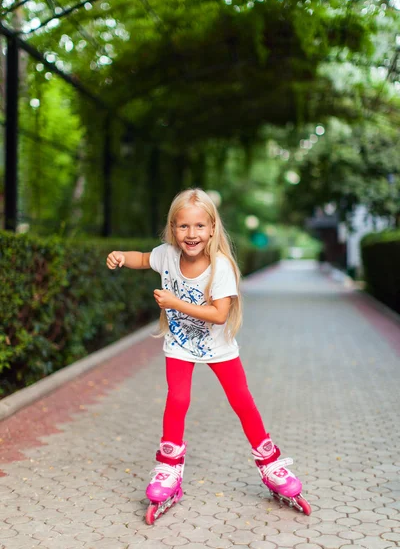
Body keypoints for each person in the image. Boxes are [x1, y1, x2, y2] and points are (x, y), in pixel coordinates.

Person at [106, 188, 310, 521]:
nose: (191, 234)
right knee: (178, 399)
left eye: (199, 226)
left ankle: (271, 463)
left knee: (242, 401)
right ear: (173, 229)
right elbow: (143, 258)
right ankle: (169, 467)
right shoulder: (167, 255)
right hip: (180, 345)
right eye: (183, 226)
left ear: (212, 228)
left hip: (219, 348)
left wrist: (175, 303)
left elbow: (218, 314)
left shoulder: (221, 267)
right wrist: (119, 256)